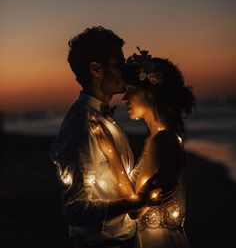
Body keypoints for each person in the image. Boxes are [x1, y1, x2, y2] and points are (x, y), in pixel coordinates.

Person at [50, 28, 172, 248]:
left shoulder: (103, 119)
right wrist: (133, 203)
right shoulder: (81, 126)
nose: (125, 71)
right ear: (96, 69)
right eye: (118, 63)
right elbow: (74, 211)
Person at [92, 48, 196, 248]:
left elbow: (135, 210)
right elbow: (140, 201)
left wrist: (111, 152)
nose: (124, 99)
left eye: (131, 90)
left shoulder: (163, 140)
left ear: (151, 92)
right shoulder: (160, 138)